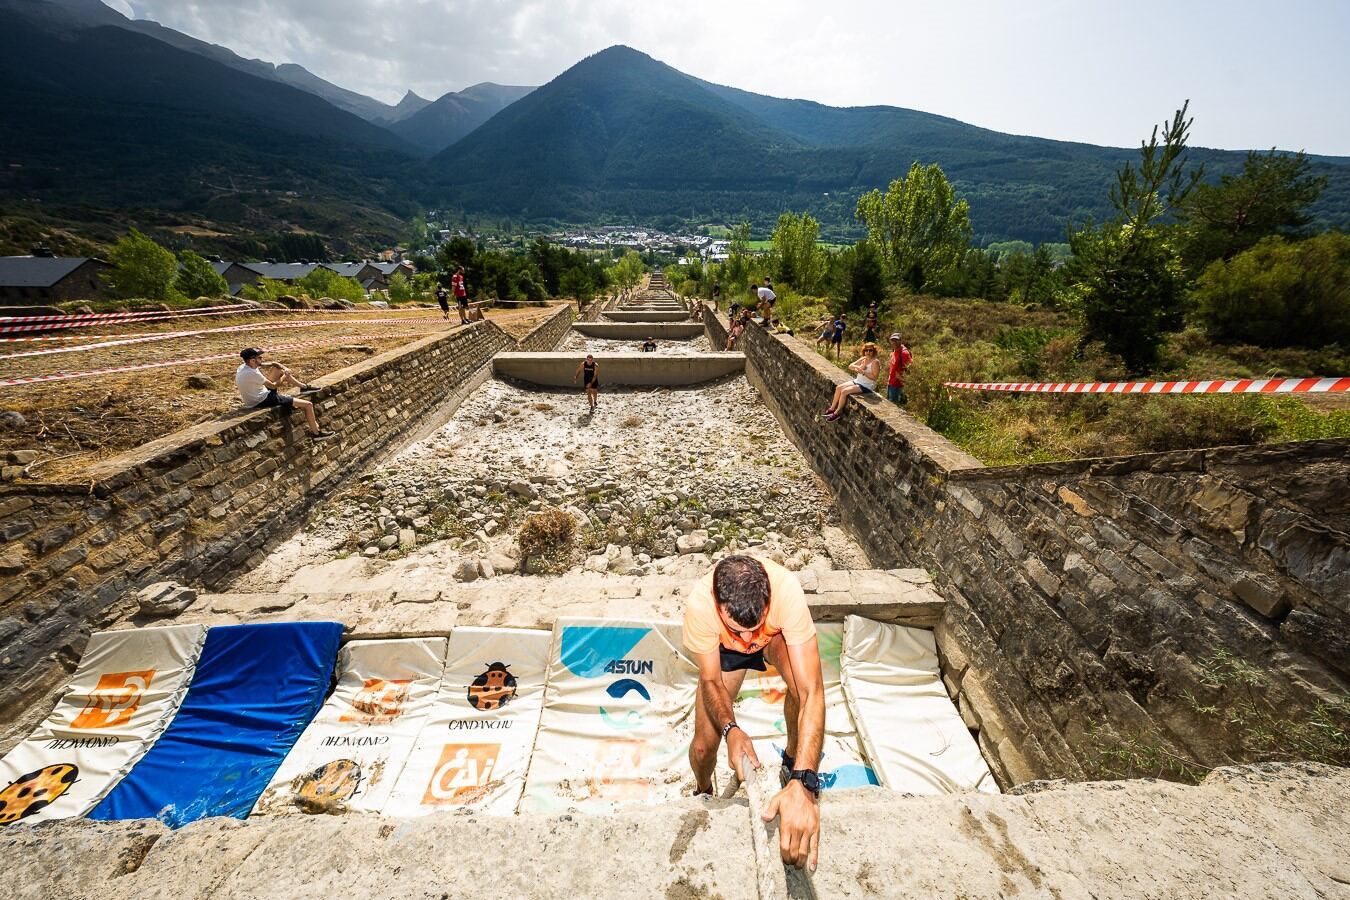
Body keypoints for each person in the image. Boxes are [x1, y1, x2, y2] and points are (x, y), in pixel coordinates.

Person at [684, 555, 824, 871]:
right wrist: (731, 728)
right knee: (704, 746)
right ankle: (704, 789)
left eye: (753, 627)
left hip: (772, 640)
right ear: (719, 607)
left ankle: (791, 760)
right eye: (738, 629)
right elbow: (710, 680)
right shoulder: (700, 606)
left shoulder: (786, 591)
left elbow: (813, 690)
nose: (747, 640)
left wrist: (805, 782)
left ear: (767, 600)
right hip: (723, 653)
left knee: (802, 691)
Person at [235, 348, 334, 440]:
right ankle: (316, 433)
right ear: (252, 360)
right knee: (308, 405)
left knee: (277, 369)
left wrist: (279, 365)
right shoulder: (252, 373)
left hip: (258, 394)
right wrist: (285, 376)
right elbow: (273, 386)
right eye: (259, 358)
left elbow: (272, 365)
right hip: (262, 400)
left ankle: (303, 387)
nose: (262, 359)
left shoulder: (244, 366)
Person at [823, 342, 881, 421]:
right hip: (858, 381)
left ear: (874, 351)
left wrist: (863, 372)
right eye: (866, 350)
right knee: (838, 388)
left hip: (867, 385)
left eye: (870, 350)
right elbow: (850, 366)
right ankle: (832, 408)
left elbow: (874, 377)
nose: (868, 352)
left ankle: (837, 413)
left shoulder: (875, 362)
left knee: (844, 392)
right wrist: (859, 367)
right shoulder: (863, 358)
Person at [887, 332, 912, 405]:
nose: (894, 342)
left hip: (898, 385)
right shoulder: (894, 350)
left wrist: (901, 378)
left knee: (894, 407)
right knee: (889, 404)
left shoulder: (904, 353)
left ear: (900, 340)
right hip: (891, 383)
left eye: (896, 340)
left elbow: (910, 371)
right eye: (892, 340)